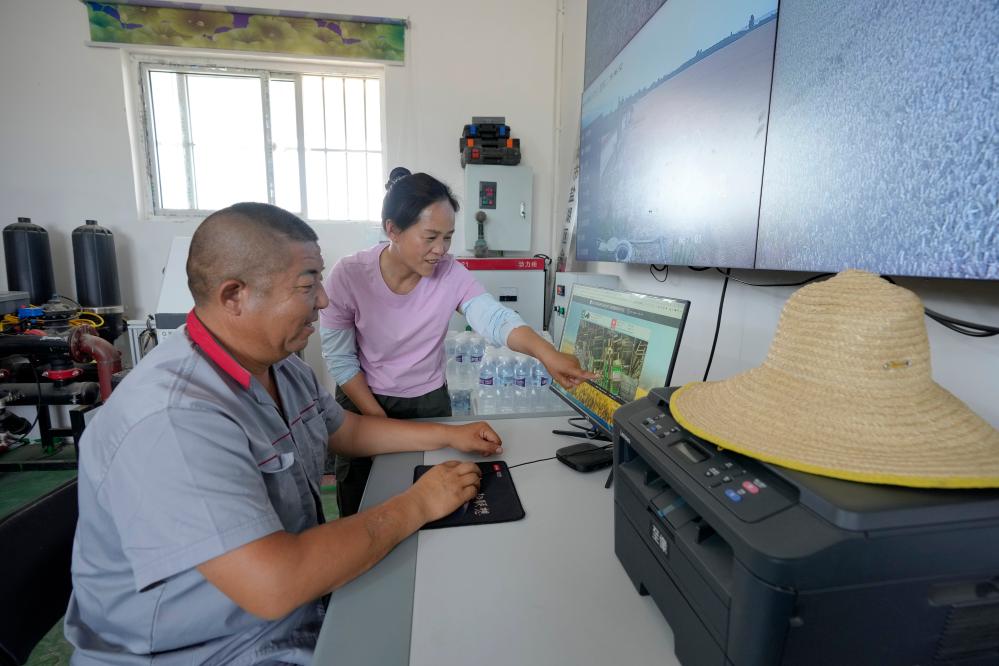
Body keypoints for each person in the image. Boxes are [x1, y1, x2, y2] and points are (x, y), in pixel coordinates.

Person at [64, 203, 503, 665]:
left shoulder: (280, 368)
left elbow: (345, 429)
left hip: (292, 613)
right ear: (235, 295)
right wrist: (419, 503)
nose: (323, 300)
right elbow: (274, 584)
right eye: (307, 285)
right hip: (213, 649)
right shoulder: (174, 419)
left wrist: (447, 435)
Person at [320, 167, 596, 516]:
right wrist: (379, 421)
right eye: (430, 237)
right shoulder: (349, 275)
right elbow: (340, 359)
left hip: (426, 400)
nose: (440, 250)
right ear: (392, 230)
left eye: (448, 237)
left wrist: (547, 354)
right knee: (362, 501)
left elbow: (494, 318)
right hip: (362, 399)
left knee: (437, 500)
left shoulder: (450, 273)